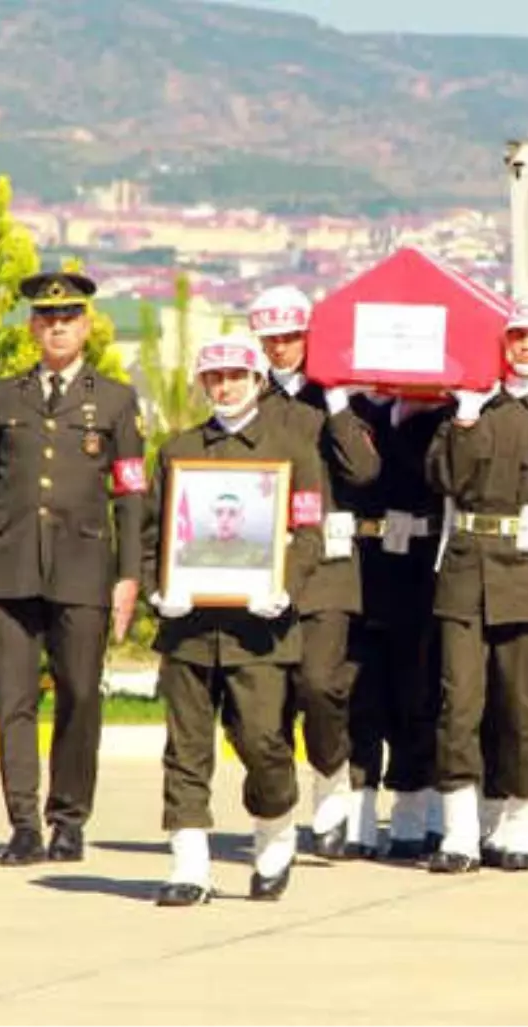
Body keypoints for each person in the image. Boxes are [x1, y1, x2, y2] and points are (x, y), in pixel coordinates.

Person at [0, 269, 145, 866]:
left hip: (83, 568)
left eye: (68, 317)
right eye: (46, 317)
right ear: (33, 327)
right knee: (12, 700)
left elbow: (130, 493)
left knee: (81, 694)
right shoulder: (3, 397)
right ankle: (23, 825)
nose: (57, 327)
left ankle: (68, 820)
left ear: (85, 326)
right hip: (7, 565)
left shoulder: (113, 399)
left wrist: (129, 574)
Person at [142, 332, 325, 906]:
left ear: (257, 381)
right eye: (214, 378)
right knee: (186, 746)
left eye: (236, 377)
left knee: (263, 741)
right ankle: (189, 864)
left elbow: (310, 531)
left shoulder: (292, 449)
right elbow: (152, 535)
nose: (224, 387)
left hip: (260, 630)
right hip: (190, 628)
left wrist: (285, 587)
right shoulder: (178, 450)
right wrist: (158, 588)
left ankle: (275, 825)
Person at [425, 295, 528, 873]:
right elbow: (444, 478)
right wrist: (465, 421)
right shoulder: (474, 409)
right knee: (459, 703)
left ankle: (520, 821)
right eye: (518, 335)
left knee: (523, 707)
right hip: (467, 569)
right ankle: (460, 832)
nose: (525, 345)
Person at [247, 285, 381, 859]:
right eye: (271, 339)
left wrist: (338, 407)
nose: (281, 349)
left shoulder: (340, 402)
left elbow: (365, 471)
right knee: (270, 701)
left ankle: (332, 779)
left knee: (321, 684)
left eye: (291, 338)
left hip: (327, 565)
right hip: (266, 563)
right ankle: (280, 807)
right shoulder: (252, 402)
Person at [344, 389, 453, 860]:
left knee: (418, 689)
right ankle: (360, 811)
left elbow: (439, 477)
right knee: (360, 692)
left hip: (421, 560)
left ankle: (415, 804)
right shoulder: (347, 409)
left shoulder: (447, 413)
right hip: (361, 558)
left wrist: (409, 416)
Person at [176, 493, 273, 568]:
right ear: (212, 518)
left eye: (232, 514)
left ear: (242, 520)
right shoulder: (192, 549)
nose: (224, 519)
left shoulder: (257, 554)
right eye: (219, 513)